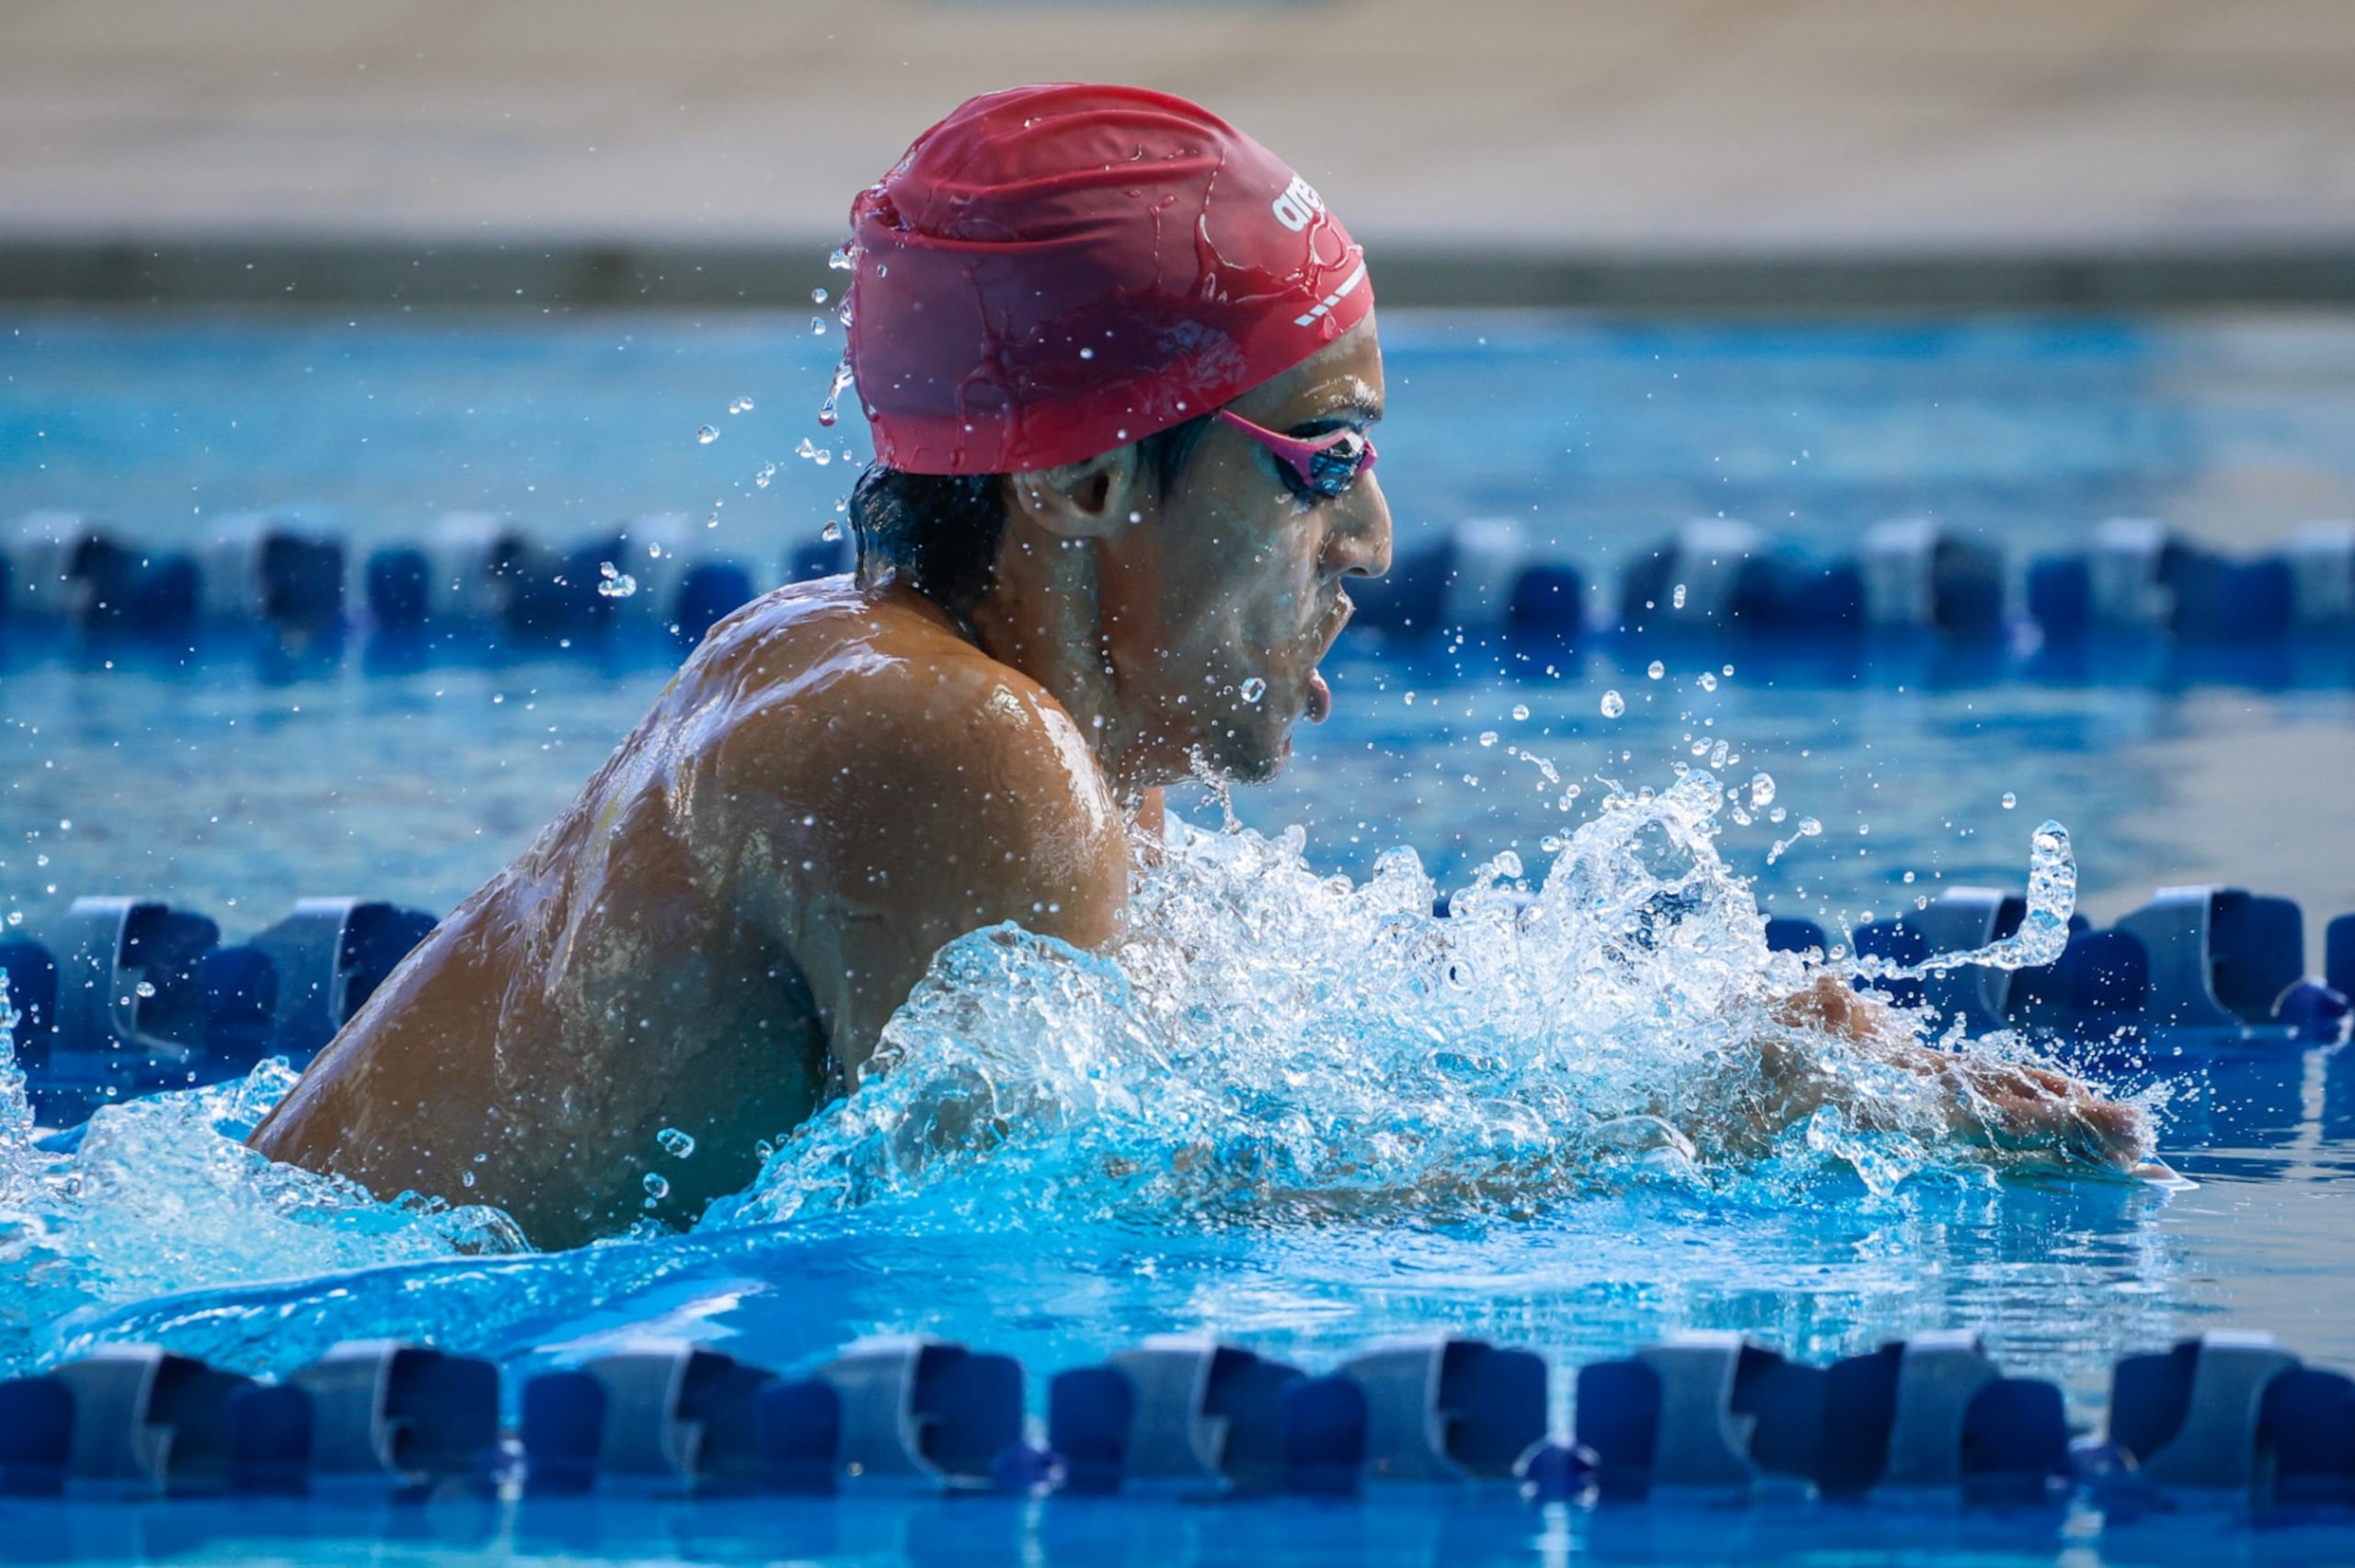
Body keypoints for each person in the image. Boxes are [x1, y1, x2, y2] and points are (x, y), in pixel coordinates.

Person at [250, 85, 2143, 1249]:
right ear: (1084, 482)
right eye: (1319, 457)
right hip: (315, 1385)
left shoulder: (957, 701)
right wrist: (1700, 1133)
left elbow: (1201, 1096)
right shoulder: (946, 738)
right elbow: (1064, 1240)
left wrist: (1712, 1043)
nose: (1371, 536)